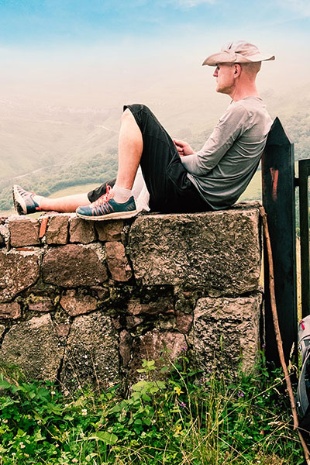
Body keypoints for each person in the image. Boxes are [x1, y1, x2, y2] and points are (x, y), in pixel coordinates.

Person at [13, 40, 275, 221]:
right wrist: (188, 155)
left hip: (191, 195)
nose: (215, 73)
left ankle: (122, 200)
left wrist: (178, 159)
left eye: (220, 67)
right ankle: (38, 202)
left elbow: (204, 165)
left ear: (237, 70)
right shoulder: (256, 111)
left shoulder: (242, 110)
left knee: (137, 113)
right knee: (117, 184)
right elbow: (214, 163)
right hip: (203, 197)